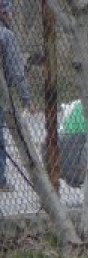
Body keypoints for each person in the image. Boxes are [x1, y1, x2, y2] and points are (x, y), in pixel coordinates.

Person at [0, 0, 32, 192]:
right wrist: (26, 99)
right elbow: (16, 71)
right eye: (8, 12)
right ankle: (1, 180)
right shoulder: (6, 36)